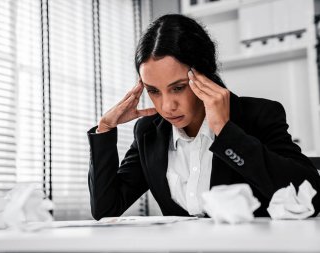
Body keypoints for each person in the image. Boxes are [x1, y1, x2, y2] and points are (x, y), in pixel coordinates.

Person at [87, 14, 320, 220]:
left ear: (204, 75)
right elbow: (106, 210)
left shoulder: (258, 115)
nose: (167, 106)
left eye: (178, 87)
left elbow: (312, 196)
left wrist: (225, 131)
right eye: (154, 91)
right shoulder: (149, 132)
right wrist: (105, 128)